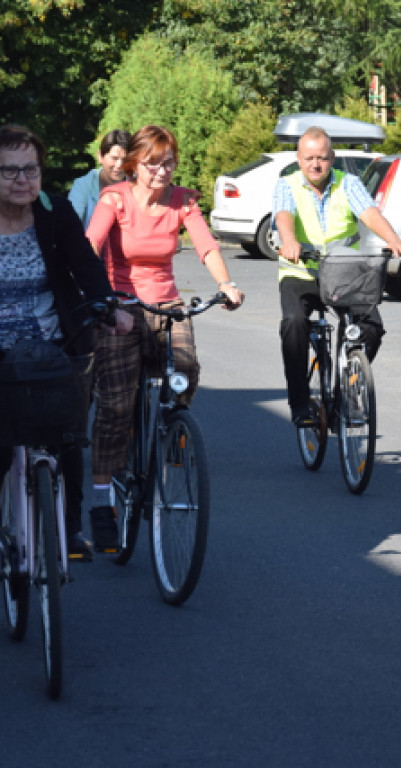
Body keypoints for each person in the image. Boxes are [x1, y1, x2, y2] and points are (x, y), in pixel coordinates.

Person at [0, 125, 133, 591]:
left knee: (67, 435)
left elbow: (84, 263)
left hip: (49, 342)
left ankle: (70, 526)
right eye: (10, 170)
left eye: (31, 169)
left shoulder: (53, 210)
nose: (22, 179)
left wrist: (108, 307)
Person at [84, 124, 244, 552]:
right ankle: (102, 501)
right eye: (153, 163)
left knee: (186, 368)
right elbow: (91, 245)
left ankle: (170, 429)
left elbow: (207, 246)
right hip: (119, 304)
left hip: (165, 302)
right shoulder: (114, 198)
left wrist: (226, 284)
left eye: (168, 162)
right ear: (135, 164)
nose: (161, 171)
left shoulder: (183, 200)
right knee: (116, 404)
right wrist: (101, 300)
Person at [273, 126, 401, 427]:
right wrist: (289, 240)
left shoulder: (348, 183)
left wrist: (394, 239)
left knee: (371, 326)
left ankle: (345, 388)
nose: (315, 164)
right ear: (298, 158)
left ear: (332, 157)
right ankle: (299, 402)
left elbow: (369, 213)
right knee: (294, 324)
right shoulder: (288, 184)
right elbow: (283, 215)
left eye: (322, 157)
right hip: (302, 271)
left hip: (344, 271)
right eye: (309, 158)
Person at [67, 129, 130, 228]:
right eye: (114, 158)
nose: (119, 165)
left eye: (125, 160)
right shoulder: (82, 185)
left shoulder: (137, 184)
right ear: (100, 156)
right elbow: (70, 227)